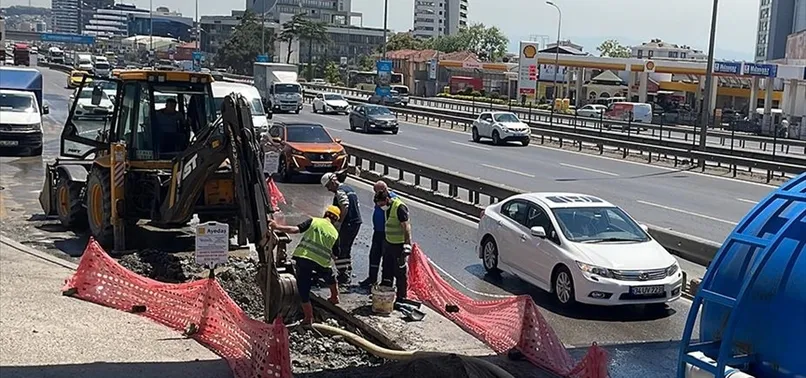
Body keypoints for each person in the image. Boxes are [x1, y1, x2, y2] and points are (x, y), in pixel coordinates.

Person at [269, 205, 341, 325]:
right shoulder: (335, 233)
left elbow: (295, 230)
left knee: (303, 288)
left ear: (325, 214)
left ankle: (308, 317)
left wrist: (277, 227)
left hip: (305, 258)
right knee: (330, 276)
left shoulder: (314, 221)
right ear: (335, 220)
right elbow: (336, 254)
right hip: (322, 262)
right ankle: (335, 296)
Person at [320, 172, 362, 284]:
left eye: (328, 186)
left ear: (333, 181)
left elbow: (345, 206)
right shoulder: (349, 189)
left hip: (348, 224)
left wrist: (339, 222)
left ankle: (343, 275)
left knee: (340, 248)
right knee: (347, 247)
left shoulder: (340, 191)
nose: (329, 190)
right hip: (355, 223)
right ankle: (347, 270)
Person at [374, 189, 413, 302]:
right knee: (387, 269)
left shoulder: (399, 207)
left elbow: (406, 227)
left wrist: (407, 244)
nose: (381, 207)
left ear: (387, 199)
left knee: (400, 272)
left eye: (381, 204)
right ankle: (386, 293)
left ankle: (401, 297)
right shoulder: (388, 207)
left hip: (399, 245)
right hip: (389, 243)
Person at [359, 181, 397, 288]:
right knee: (374, 255)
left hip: (387, 233)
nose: (376, 194)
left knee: (387, 258)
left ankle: (386, 282)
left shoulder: (392, 199)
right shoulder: (378, 198)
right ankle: (372, 279)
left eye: (378, 191)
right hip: (377, 232)